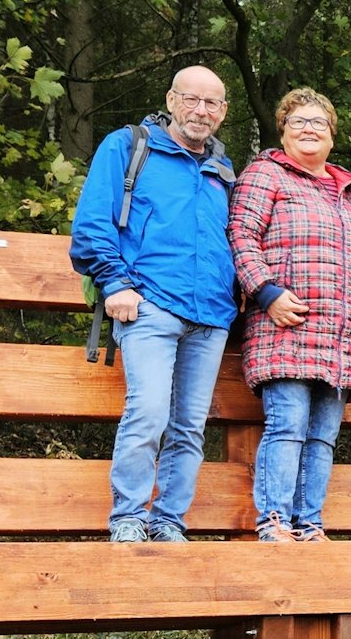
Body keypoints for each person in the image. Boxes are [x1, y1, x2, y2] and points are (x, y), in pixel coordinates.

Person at [69, 65, 237, 543]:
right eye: (192, 99)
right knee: (148, 413)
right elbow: (92, 225)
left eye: (212, 103)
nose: (200, 110)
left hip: (210, 316)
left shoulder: (222, 169)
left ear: (223, 113)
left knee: (189, 427)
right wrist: (114, 282)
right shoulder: (128, 146)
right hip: (150, 307)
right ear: (171, 99)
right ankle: (128, 517)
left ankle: (168, 522)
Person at [227, 87, 351, 542]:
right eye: (298, 122)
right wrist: (266, 292)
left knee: (321, 437)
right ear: (283, 132)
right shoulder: (266, 173)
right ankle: (274, 519)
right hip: (286, 327)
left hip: (339, 338)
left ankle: (309, 522)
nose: (309, 129)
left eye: (318, 123)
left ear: (333, 136)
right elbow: (240, 235)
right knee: (289, 425)